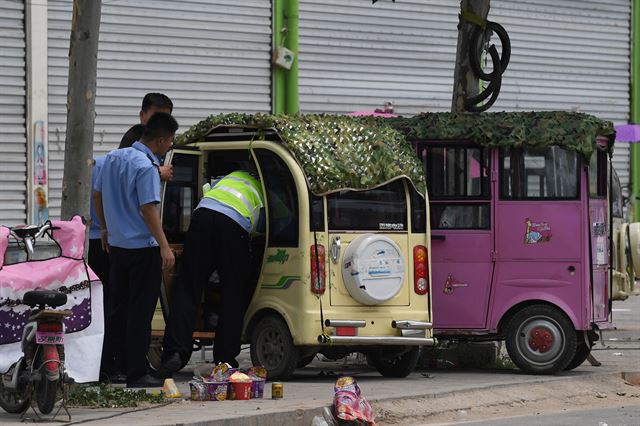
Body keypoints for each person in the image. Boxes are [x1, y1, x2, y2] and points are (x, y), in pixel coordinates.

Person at [93, 112, 178, 388]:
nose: (169, 148)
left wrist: (105, 229)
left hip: (117, 248)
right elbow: (148, 209)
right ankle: (137, 373)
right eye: (170, 142)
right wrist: (165, 245)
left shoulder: (113, 159)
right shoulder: (144, 167)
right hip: (143, 248)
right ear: (162, 140)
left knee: (117, 311)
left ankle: (109, 367)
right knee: (140, 313)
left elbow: (98, 195)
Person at [159, 170, 264, 374]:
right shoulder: (261, 189)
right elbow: (262, 229)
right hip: (233, 227)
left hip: (202, 218)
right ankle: (225, 360)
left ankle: (174, 353)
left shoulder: (226, 179)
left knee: (188, 289)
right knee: (233, 295)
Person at [121, 93, 174, 181]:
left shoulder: (168, 143)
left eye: (165, 118)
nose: (161, 123)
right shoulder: (133, 136)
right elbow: (122, 172)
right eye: (155, 117)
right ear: (142, 115)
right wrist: (157, 173)